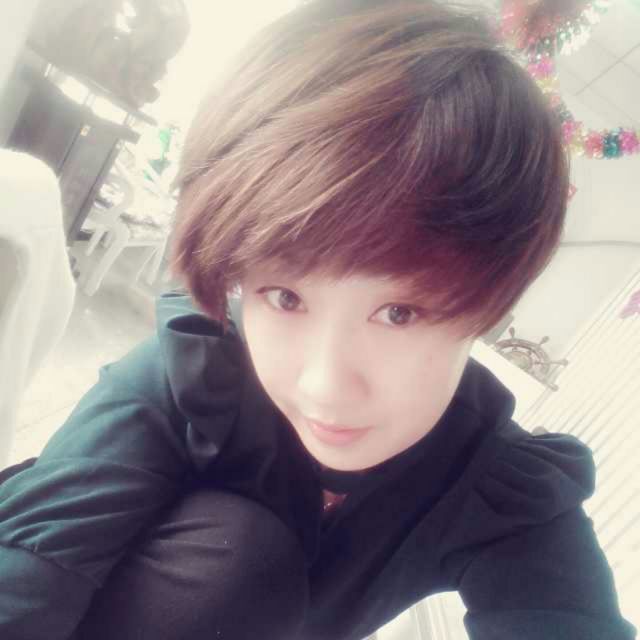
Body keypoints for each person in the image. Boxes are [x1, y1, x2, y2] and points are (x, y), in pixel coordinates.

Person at [0, 1, 636, 638]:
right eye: (284, 297)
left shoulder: (494, 483)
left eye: (399, 312)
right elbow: (28, 572)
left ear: (487, 303)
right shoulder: (192, 377)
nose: (325, 386)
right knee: (240, 560)